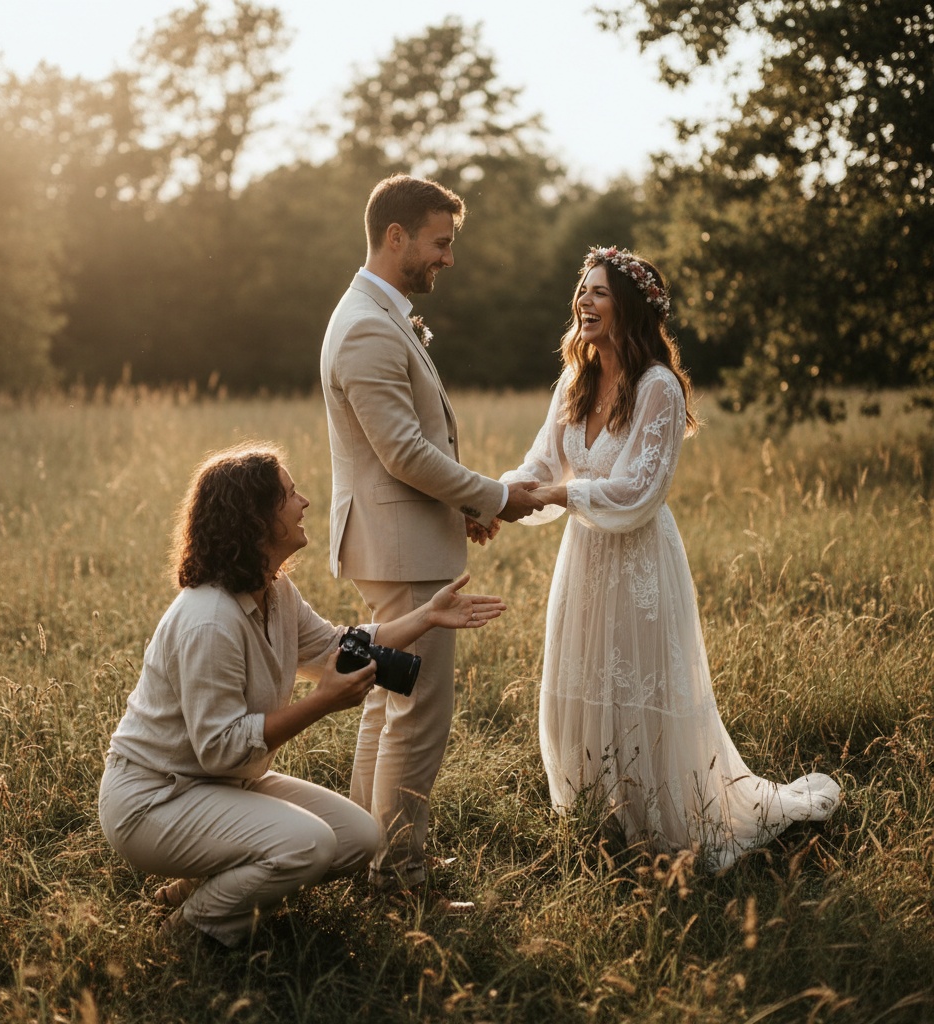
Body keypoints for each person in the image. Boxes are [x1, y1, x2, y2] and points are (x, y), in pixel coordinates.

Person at [498, 246, 841, 871]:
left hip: (639, 563)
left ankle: (663, 823)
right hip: (584, 560)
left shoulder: (659, 388)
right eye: (582, 291)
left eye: (599, 292)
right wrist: (494, 500)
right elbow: (540, 467)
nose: (585, 301)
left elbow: (636, 491)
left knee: (636, 688)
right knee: (583, 686)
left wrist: (557, 493)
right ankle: (596, 817)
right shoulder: (573, 383)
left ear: (629, 307)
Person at [97, 442, 506, 947]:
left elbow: (336, 646)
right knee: (309, 845)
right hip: (156, 799)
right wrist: (322, 702)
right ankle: (188, 930)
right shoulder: (210, 621)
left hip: (220, 785)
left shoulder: (274, 591)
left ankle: (201, 880)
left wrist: (427, 615)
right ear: (256, 519)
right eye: (290, 495)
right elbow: (221, 747)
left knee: (358, 838)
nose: (305, 502)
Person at [320, 174, 544, 892]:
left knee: (389, 704)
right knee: (417, 715)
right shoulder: (364, 325)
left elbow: (413, 449)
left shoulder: (381, 315)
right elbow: (404, 453)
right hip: (401, 552)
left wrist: (464, 509)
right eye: (440, 243)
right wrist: (498, 497)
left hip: (404, 539)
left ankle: (366, 857)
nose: (447, 257)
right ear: (396, 237)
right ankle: (399, 873)